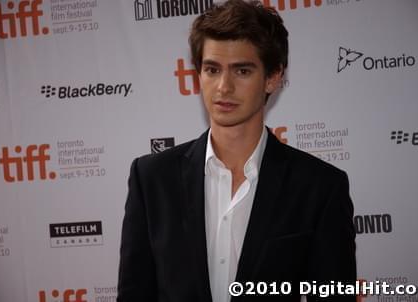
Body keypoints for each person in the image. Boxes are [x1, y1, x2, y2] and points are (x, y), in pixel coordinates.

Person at [117, 0, 356, 301]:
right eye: (212, 69)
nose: (223, 87)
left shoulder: (319, 187)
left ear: (273, 77)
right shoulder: (151, 178)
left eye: (242, 71)